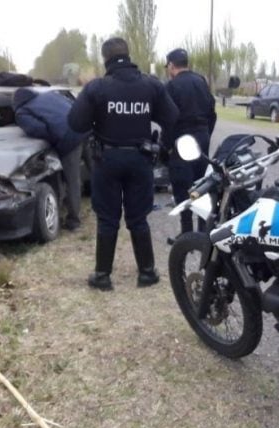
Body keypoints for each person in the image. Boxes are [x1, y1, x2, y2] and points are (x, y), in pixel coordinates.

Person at [68, 37, 179, 291]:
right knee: (138, 217)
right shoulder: (150, 85)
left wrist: (97, 115)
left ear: (105, 59)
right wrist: (162, 145)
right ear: (128, 56)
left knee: (107, 218)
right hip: (140, 159)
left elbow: (75, 123)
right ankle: (147, 273)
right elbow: (172, 117)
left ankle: (103, 276)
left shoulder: (97, 88)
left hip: (106, 160)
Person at [14, 88, 88, 231]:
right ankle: (106, 208)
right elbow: (73, 104)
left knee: (72, 180)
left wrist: (54, 141)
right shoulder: (49, 94)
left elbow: (37, 130)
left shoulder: (22, 112)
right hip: (84, 129)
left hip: (68, 139)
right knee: (97, 172)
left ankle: (74, 221)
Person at [164, 48, 217, 235]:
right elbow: (212, 112)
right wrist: (206, 134)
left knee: (181, 186)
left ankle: (186, 231)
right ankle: (203, 230)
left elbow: (167, 119)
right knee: (202, 184)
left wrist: (168, 146)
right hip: (201, 137)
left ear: (171, 65)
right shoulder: (201, 82)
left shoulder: (171, 86)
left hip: (182, 139)